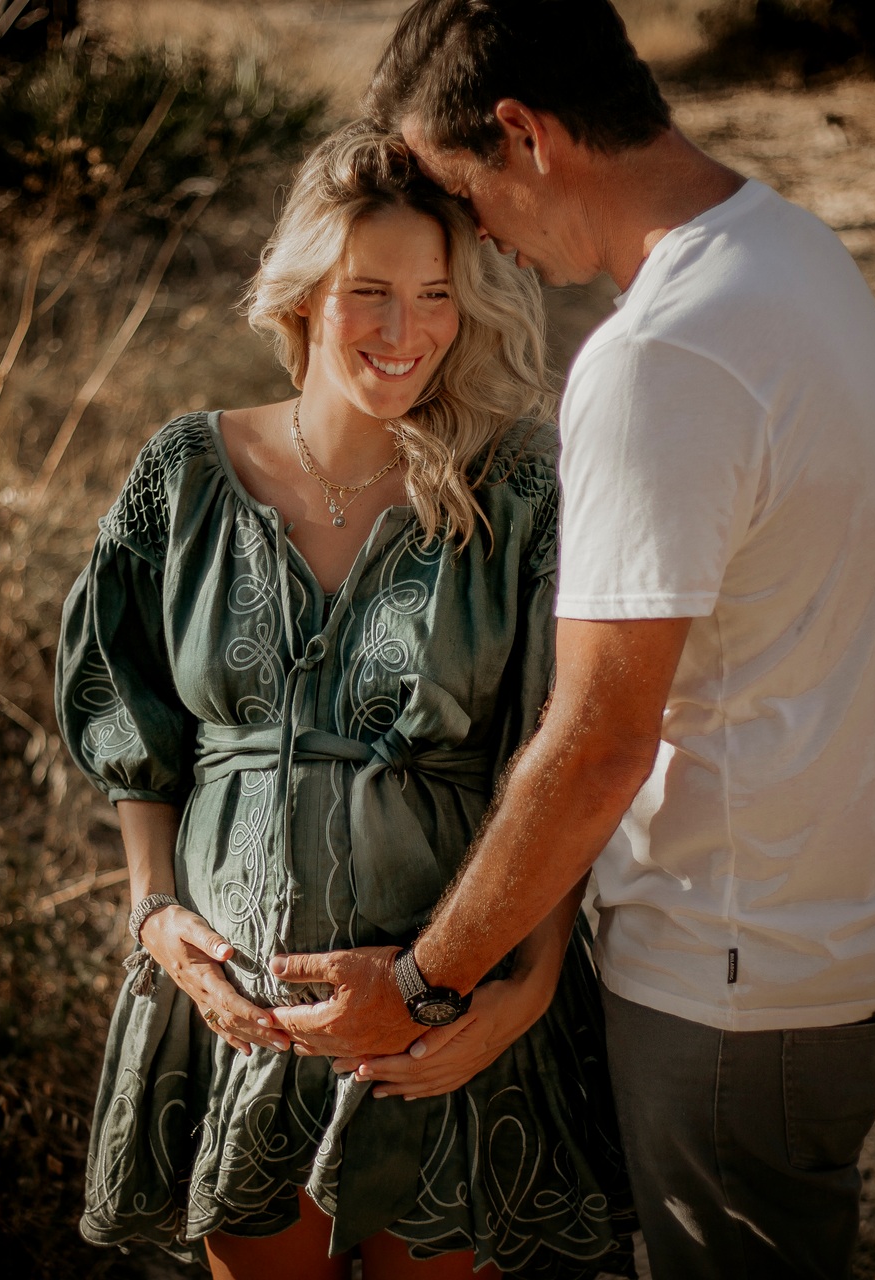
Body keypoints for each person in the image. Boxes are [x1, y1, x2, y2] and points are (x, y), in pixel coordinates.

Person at [265, 4, 875, 1278]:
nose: (481, 236)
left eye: (466, 190)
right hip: (848, 931)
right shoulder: (792, 249)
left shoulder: (658, 356)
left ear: (524, 135)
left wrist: (422, 984)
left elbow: (597, 741)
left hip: (737, 970)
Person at [53, 121, 633, 1280]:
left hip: (445, 1017)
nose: (405, 330)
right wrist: (154, 909)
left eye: (436, 294)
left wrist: (524, 988)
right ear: (305, 292)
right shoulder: (184, 472)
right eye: (371, 291)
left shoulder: (518, 486)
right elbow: (131, 711)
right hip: (239, 1022)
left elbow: (558, 750)